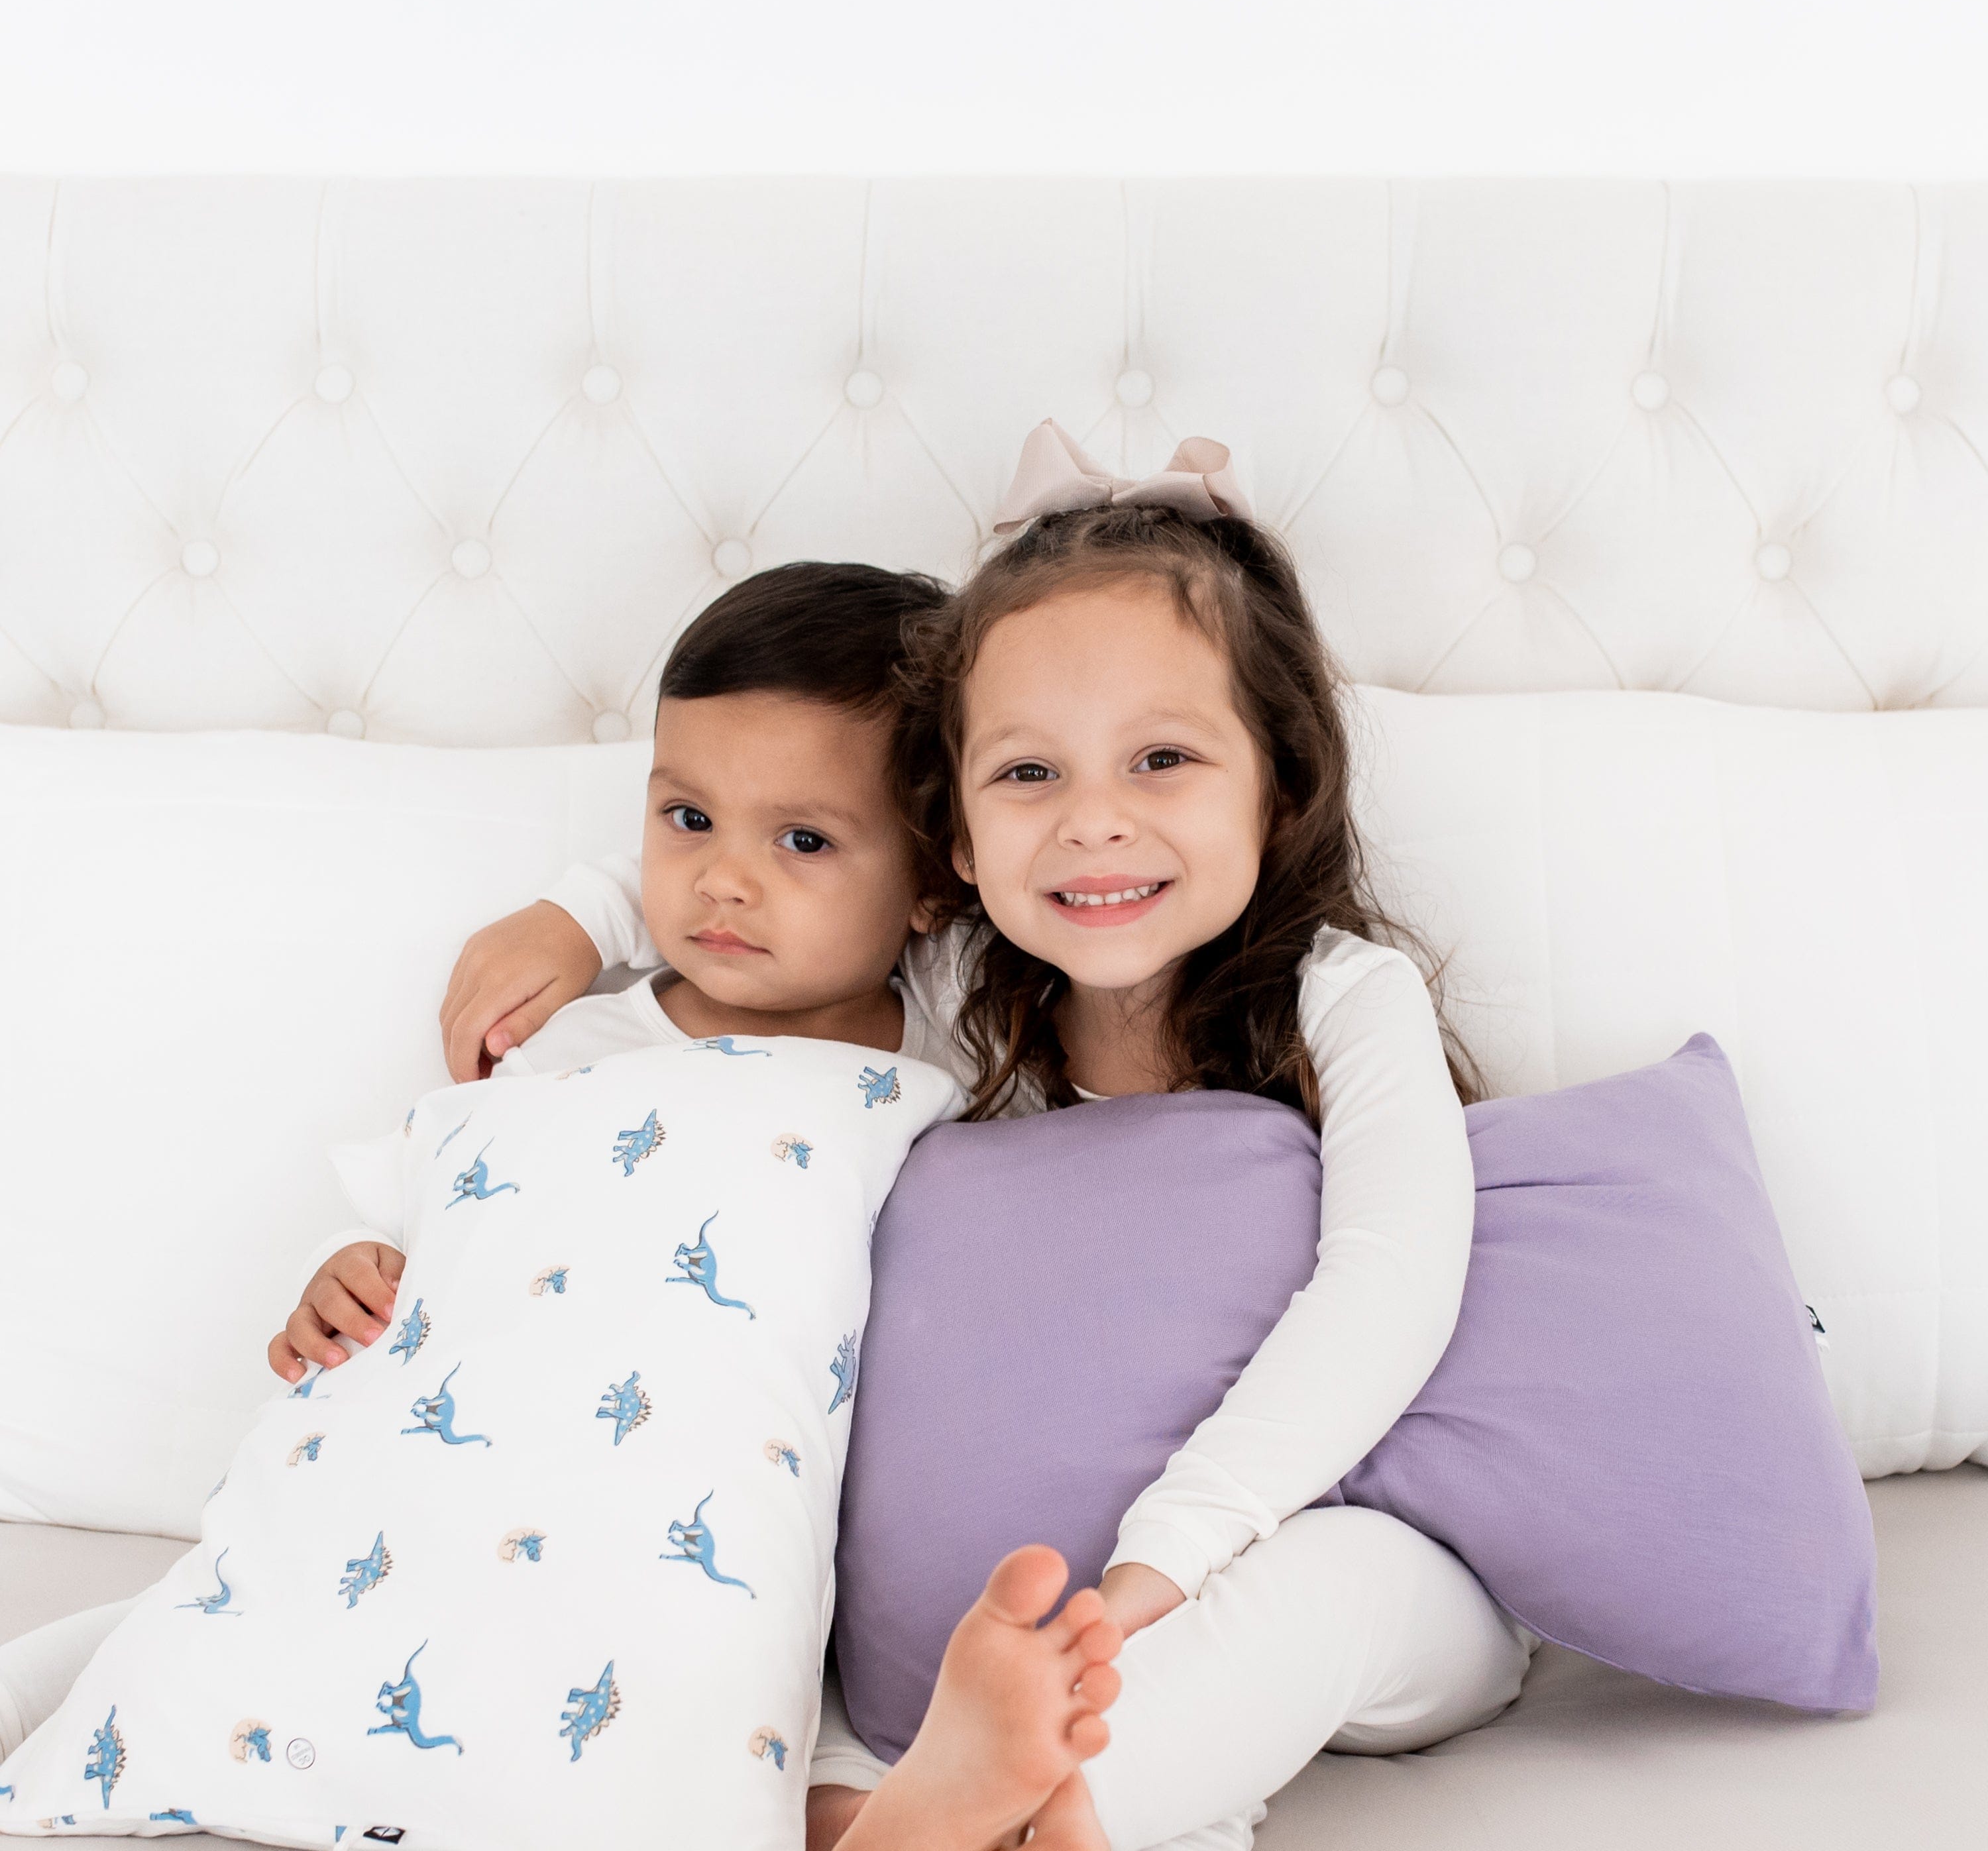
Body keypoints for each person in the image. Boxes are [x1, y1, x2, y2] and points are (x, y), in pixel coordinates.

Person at [442, 424, 1538, 1851]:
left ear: (1276, 780)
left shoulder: (1345, 998)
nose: (1094, 826)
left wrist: (1160, 1569)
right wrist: (580, 915)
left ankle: (1057, 1814)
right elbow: (774, 866)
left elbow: (1389, 1291)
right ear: (951, 838)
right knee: (812, 1618)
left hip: (1280, 1553)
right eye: (1028, 775)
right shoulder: (950, 1010)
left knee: (1340, 1589)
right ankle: (919, 1803)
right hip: (988, 1620)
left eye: (1162, 761)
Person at [0, 560, 1127, 1851]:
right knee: (251, 1601)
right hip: (475, 1458)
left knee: (757, 1704)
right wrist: (349, 1269)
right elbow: (450, 1221)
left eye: (803, 842)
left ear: (939, 880)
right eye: (686, 820)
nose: (723, 883)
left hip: (728, 1511)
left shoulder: (957, 1068)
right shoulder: (572, 1044)